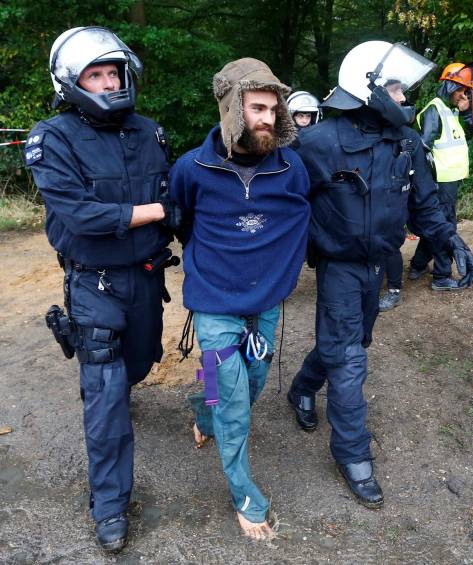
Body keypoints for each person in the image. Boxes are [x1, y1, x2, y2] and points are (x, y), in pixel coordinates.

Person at [287, 41, 473, 507]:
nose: (402, 95)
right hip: (337, 265)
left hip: (376, 265)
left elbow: (425, 203)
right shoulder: (317, 143)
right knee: (350, 358)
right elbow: (284, 207)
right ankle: (352, 452)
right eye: (394, 87)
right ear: (366, 89)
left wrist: (452, 240)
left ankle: (301, 388)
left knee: (351, 342)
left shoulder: (406, 141)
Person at [25, 26, 180, 551]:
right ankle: (110, 504)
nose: (110, 81)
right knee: (107, 396)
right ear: (71, 81)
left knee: (139, 364)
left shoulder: (150, 131)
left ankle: (113, 384)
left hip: (146, 277)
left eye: (115, 72)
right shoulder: (53, 137)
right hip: (94, 283)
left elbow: (181, 194)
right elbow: (82, 215)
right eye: (97, 73)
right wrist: (160, 211)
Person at [168, 58, 309, 540]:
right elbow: (182, 221)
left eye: (273, 108)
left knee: (250, 382)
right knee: (234, 399)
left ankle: (200, 405)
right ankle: (246, 494)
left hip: (266, 303)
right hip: (213, 301)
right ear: (232, 107)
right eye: (256, 107)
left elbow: (301, 216)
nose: (267, 117)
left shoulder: (292, 168)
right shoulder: (192, 167)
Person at [408, 62, 473, 291]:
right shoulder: (434, 110)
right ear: (448, 86)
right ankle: (441, 275)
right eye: (460, 89)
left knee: (439, 226)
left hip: (451, 179)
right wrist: (431, 184)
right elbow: (423, 149)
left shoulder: (451, 111)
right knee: (446, 227)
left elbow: (467, 137)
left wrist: (466, 114)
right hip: (440, 181)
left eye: (465, 90)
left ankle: (417, 265)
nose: (462, 94)